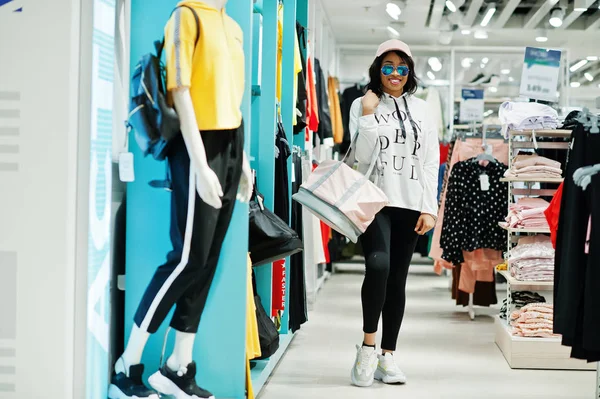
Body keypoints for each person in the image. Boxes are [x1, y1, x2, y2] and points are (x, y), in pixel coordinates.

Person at [348, 39, 440, 387]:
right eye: (388, 67)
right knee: (378, 265)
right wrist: (370, 114)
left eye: (402, 68)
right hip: (375, 201)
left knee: (397, 280)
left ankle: (388, 356)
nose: (395, 74)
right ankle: (367, 347)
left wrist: (429, 208)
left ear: (410, 72)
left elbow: (431, 162)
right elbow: (360, 155)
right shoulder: (362, 104)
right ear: (378, 70)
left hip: (410, 203)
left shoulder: (424, 110)